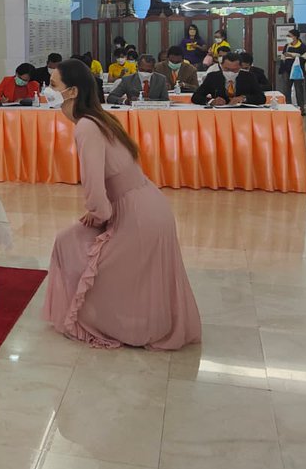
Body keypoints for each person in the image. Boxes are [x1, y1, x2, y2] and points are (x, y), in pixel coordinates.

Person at [42, 59, 202, 349]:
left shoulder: (86, 127)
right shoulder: (98, 118)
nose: (47, 92)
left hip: (137, 216)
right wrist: (99, 212)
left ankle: (113, 322)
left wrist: (98, 213)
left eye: (53, 86)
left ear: (72, 91)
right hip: (146, 206)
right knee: (69, 241)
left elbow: (93, 183)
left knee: (86, 255)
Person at [192, 54, 267, 106]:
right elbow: (196, 97)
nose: (230, 72)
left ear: (240, 67)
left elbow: (261, 98)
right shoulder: (212, 77)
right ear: (221, 66)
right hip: (218, 114)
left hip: (242, 114)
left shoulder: (249, 77)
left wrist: (243, 98)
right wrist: (212, 101)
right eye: (227, 69)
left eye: (234, 70)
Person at [280, 29, 306, 112]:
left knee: (299, 89)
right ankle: (288, 107)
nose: (288, 37)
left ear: (295, 37)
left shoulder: (302, 47)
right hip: (287, 70)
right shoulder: (287, 46)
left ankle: (301, 108)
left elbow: (304, 58)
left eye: (290, 36)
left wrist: (293, 56)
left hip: (297, 71)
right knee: (286, 89)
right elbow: (283, 57)